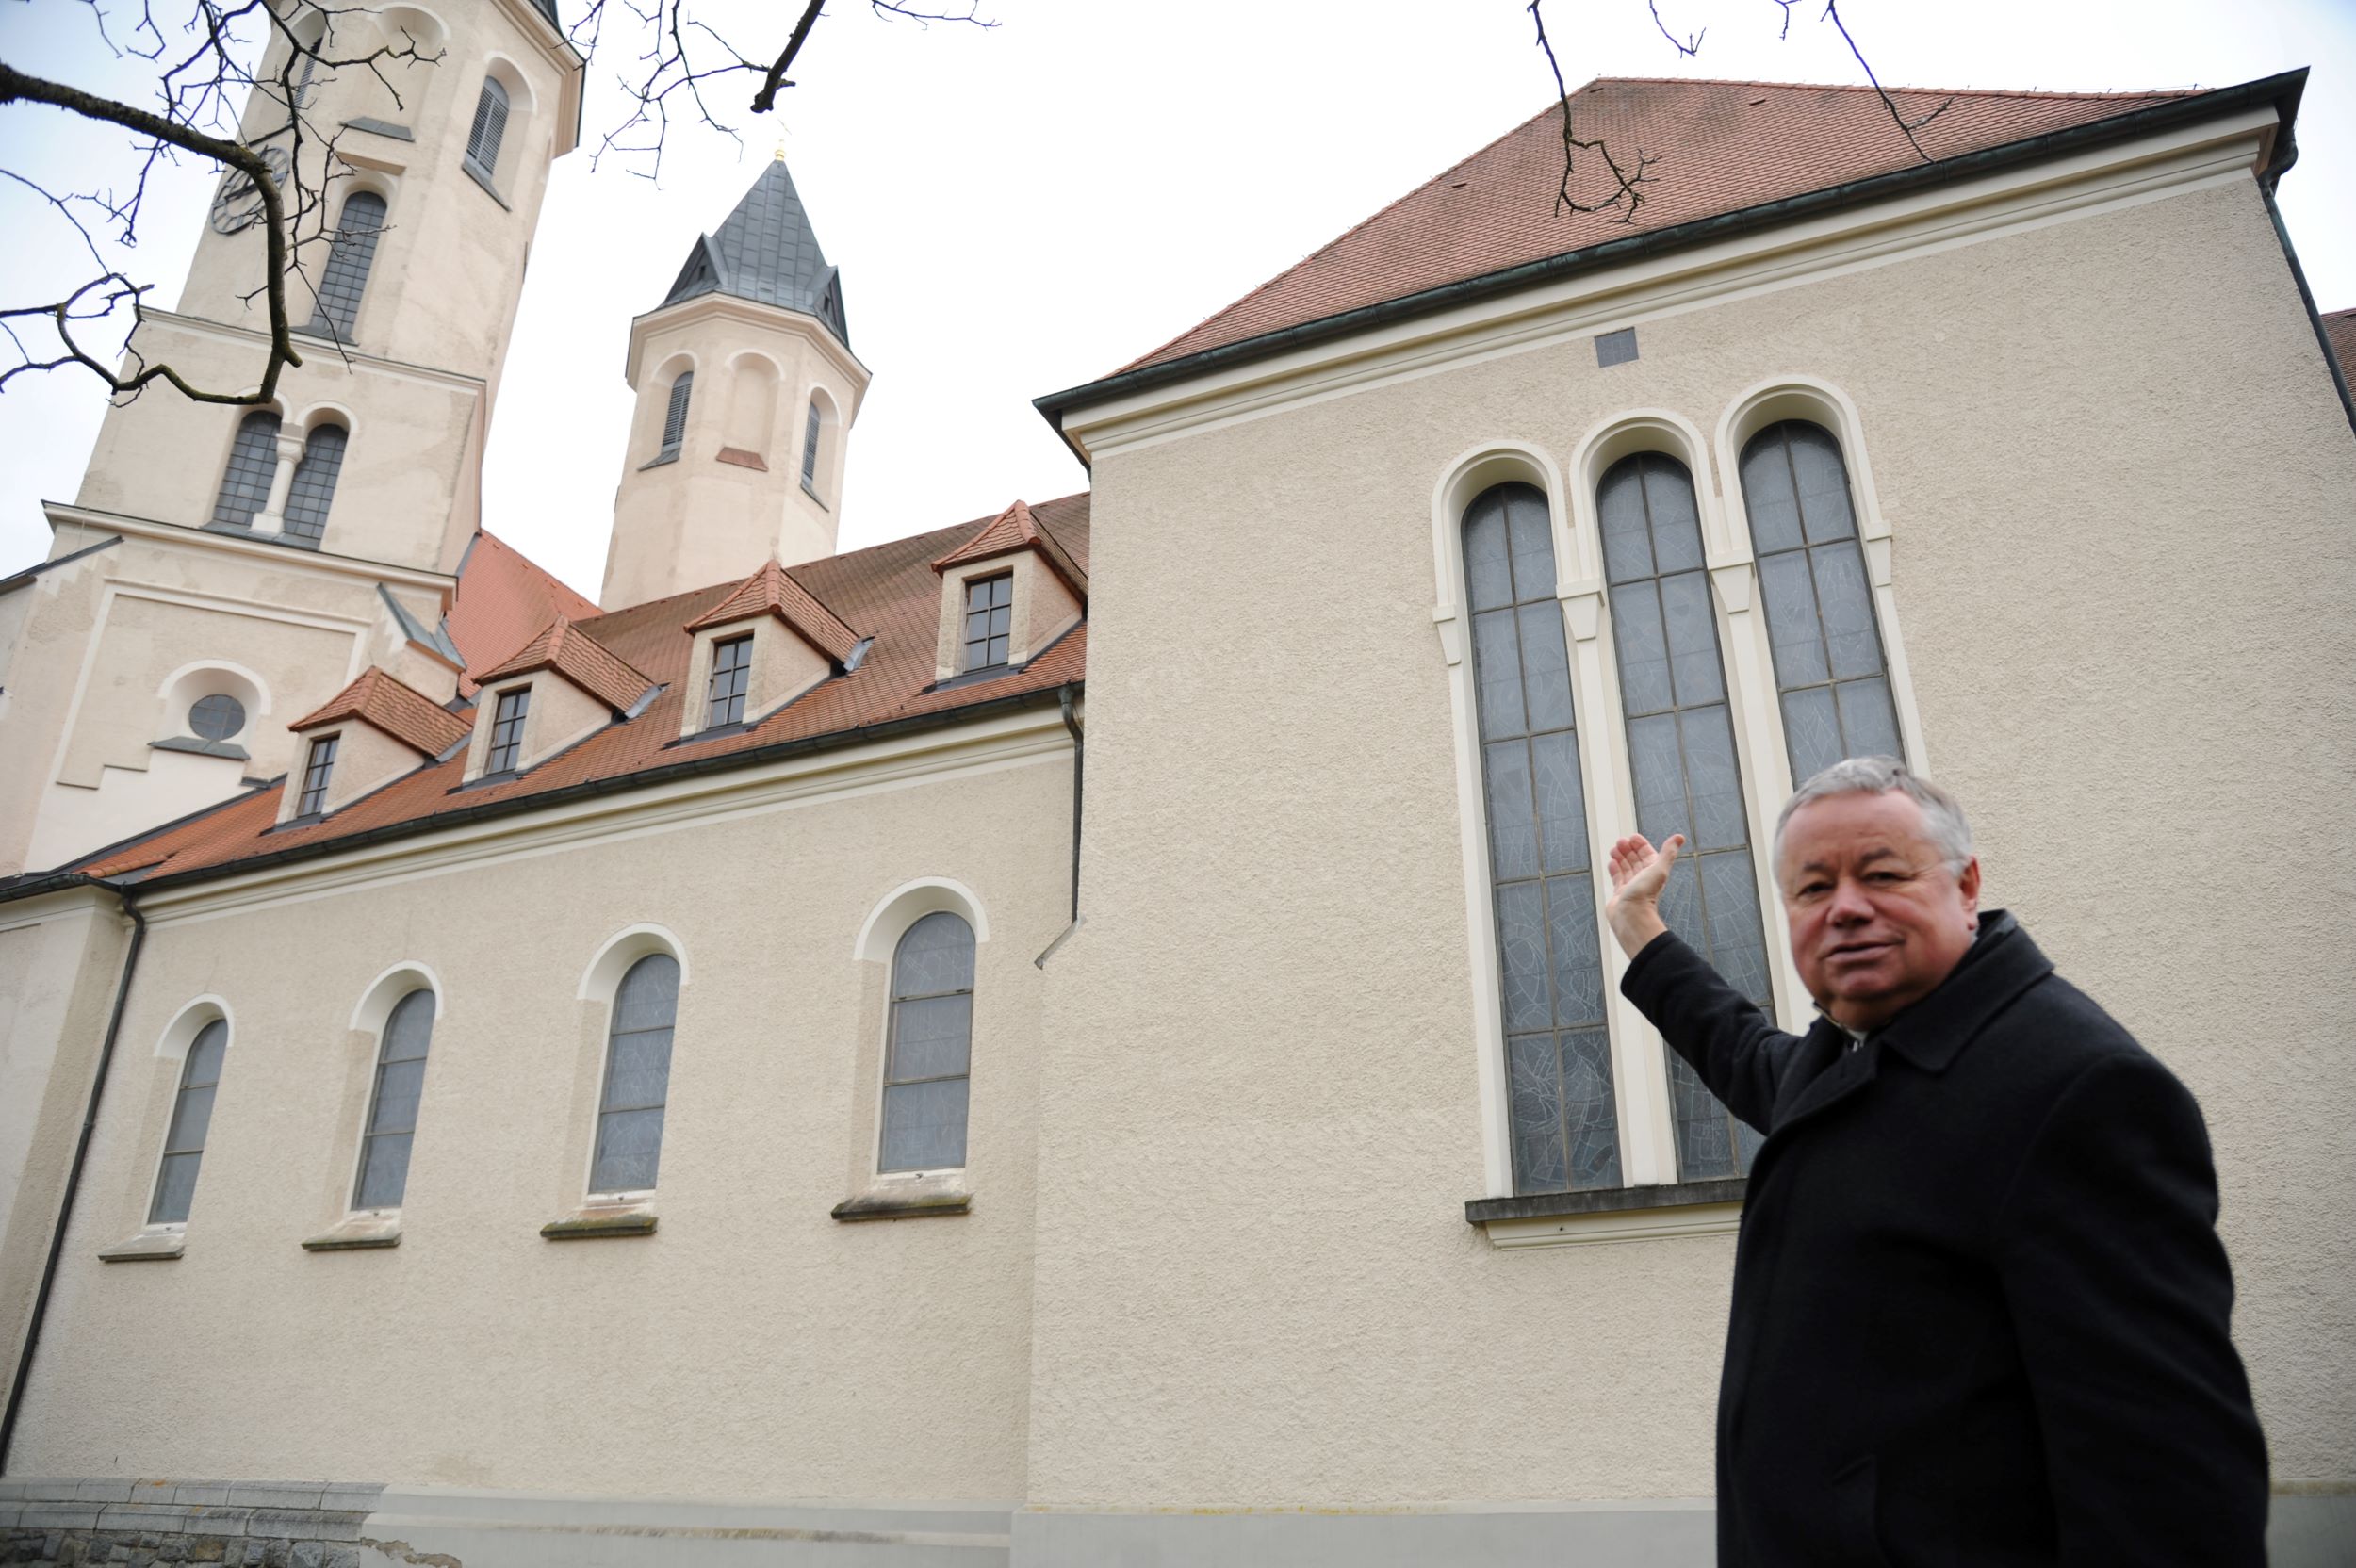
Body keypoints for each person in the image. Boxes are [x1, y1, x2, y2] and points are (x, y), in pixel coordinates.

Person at [1603, 756, 2266, 1565]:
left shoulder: (2077, 1090)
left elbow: (2166, 1484)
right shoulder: (1855, 1053)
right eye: (1813, 889)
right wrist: (1640, 930)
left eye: (1881, 874)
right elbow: (1745, 1053)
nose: (1845, 909)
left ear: (1966, 885)